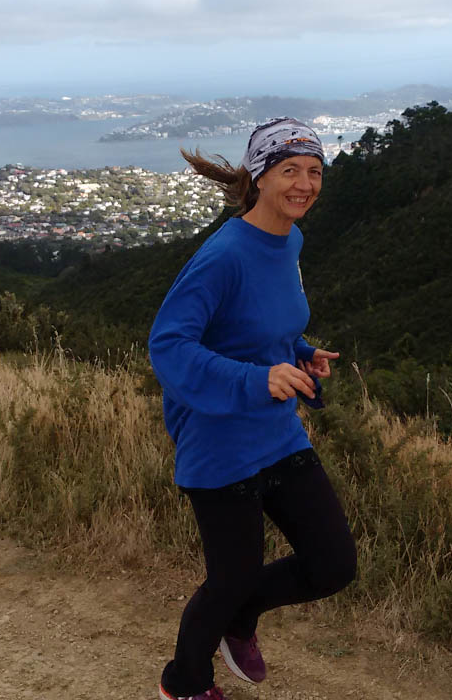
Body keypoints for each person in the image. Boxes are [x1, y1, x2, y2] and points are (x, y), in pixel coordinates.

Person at [148, 118, 357, 700]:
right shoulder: (224, 255)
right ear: (260, 177)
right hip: (218, 442)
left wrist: (299, 352)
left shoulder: (289, 241)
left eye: (314, 171)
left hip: (276, 431)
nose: (305, 184)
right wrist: (258, 377)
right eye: (290, 170)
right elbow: (169, 344)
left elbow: (260, 326)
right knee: (231, 577)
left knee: (333, 564)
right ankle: (183, 683)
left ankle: (239, 618)